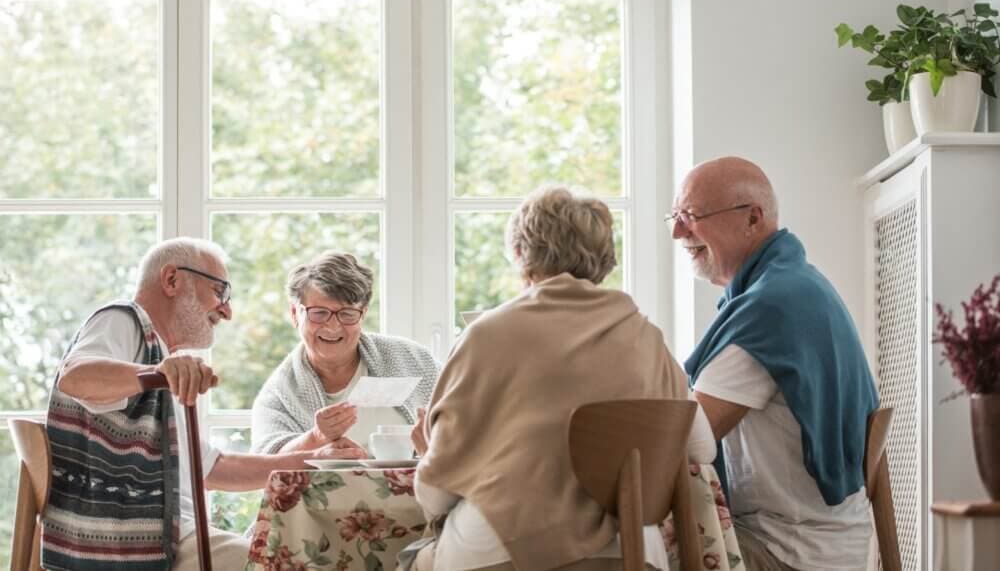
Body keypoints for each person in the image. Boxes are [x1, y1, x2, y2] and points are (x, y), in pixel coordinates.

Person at [409, 186, 716, 571]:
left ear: (521, 254)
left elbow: (436, 494)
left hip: (498, 548)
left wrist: (428, 457)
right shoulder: (647, 337)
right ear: (605, 258)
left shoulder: (489, 334)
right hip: (632, 552)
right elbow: (702, 450)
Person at [42, 237, 365, 571]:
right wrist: (156, 372)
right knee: (291, 563)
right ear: (172, 280)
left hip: (167, 535)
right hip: (136, 541)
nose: (227, 311)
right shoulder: (124, 320)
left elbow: (213, 469)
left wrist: (313, 458)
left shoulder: (161, 357)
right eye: (220, 292)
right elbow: (75, 376)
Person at [670, 157, 879, 571]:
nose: (678, 232)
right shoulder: (795, 285)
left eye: (691, 216)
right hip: (826, 539)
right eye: (674, 217)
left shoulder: (770, 310)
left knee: (622, 554)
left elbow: (683, 440)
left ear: (752, 218)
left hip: (789, 550)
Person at [251, 251, 438, 455]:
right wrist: (316, 438)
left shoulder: (413, 359)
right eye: (319, 313)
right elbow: (266, 461)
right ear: (296, 314)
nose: (332, 327)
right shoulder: (280, 393)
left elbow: (466, 422)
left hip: (414, 486)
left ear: (363, 313)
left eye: (347, 314)